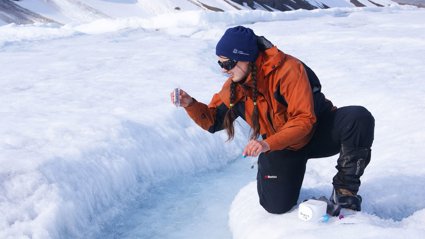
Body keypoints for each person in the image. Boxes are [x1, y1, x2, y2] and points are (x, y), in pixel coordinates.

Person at [170, 26, 374, 215]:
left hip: (318, 131)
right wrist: (190, 104)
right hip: (282, 146)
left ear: (246, 58)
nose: (224, 69)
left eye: (228, 63)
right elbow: (213, 122)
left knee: (358, 118)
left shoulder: (288, 70)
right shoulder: (234, 86)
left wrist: (266, 143)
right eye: (220, 63)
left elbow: (304, 119)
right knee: (276, 206)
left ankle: (345, 190)